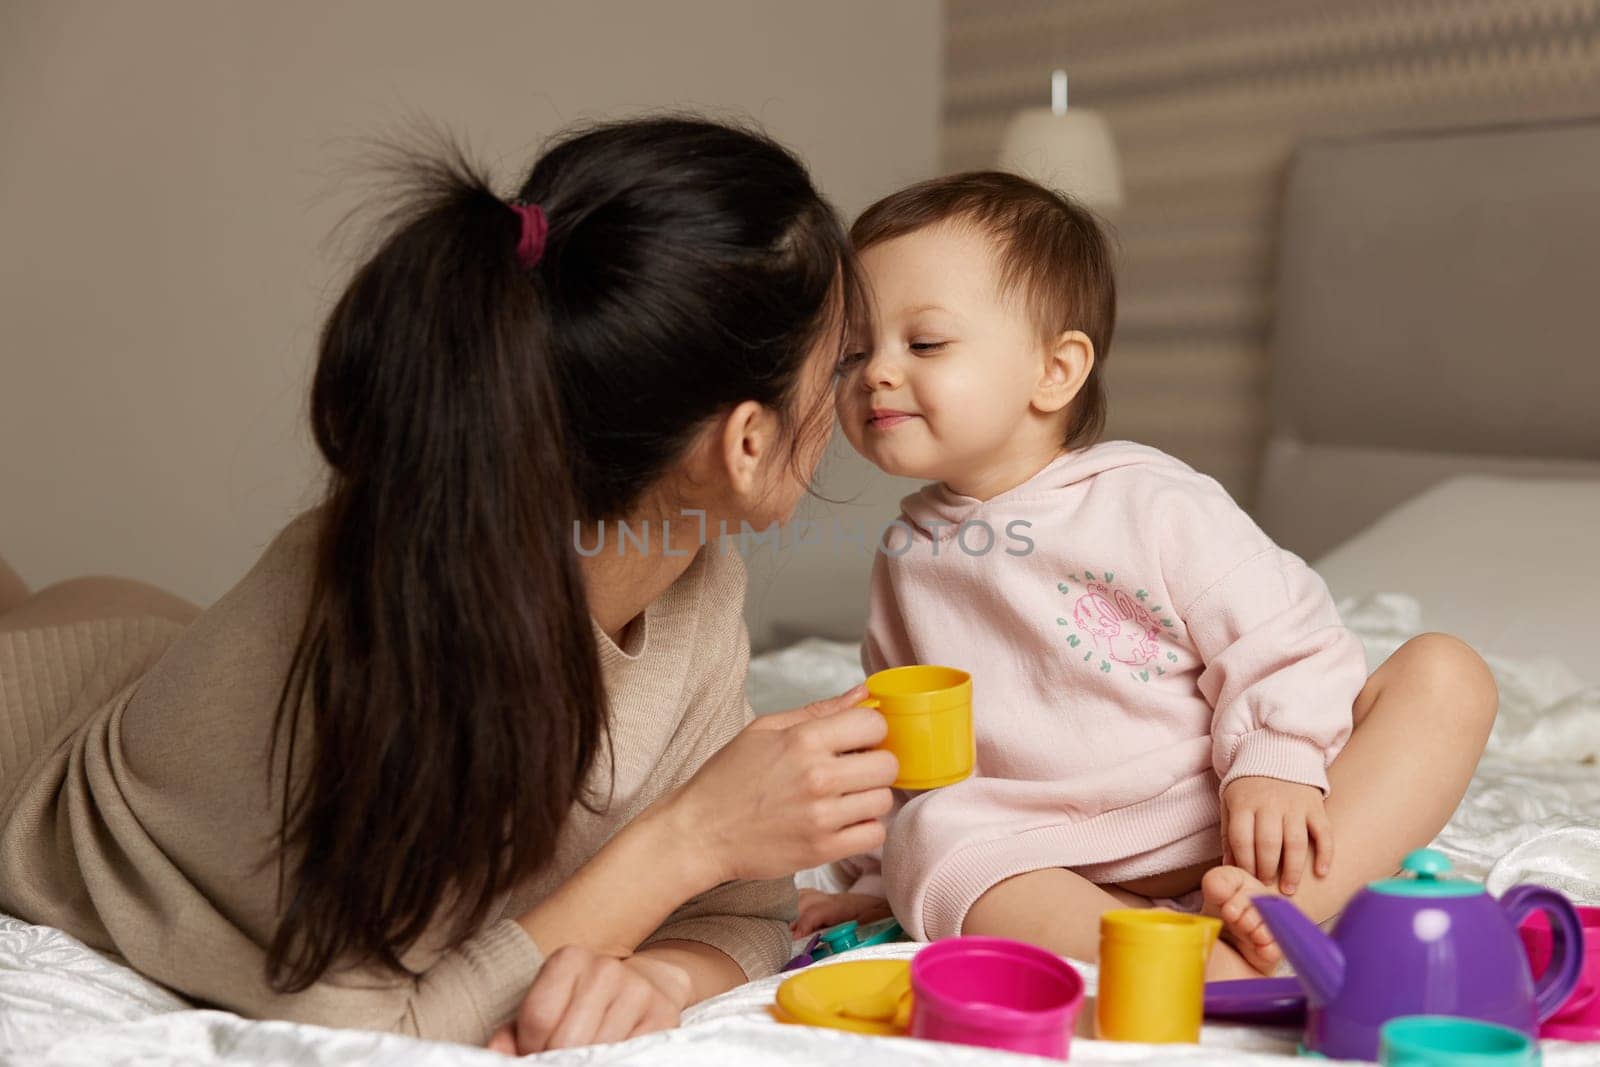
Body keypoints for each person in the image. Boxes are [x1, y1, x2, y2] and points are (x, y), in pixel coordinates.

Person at [0, 117, 900, 1053]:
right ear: (746, 446)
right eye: (835, 366)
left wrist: (658, 971)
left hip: (165, 661)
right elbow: (356, 1025)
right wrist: (687, 838)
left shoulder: (696, 582)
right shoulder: (415, 636)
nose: (854, 399)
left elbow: (741, 912)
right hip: (36, 721)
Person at [801, 171, 1498, 978]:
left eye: (923, 344)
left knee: (1448, 675)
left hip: (1220, 810)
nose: (876, 373)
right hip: (1051, 853)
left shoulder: (1150, 500)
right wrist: (877, 878)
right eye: (854, 351)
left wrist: (1274, 760)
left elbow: (1287, 635)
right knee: (935, 838)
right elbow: (911, 756)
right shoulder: (907, 552)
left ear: (1054, 372)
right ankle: (1184, 951)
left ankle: (1285, 913)